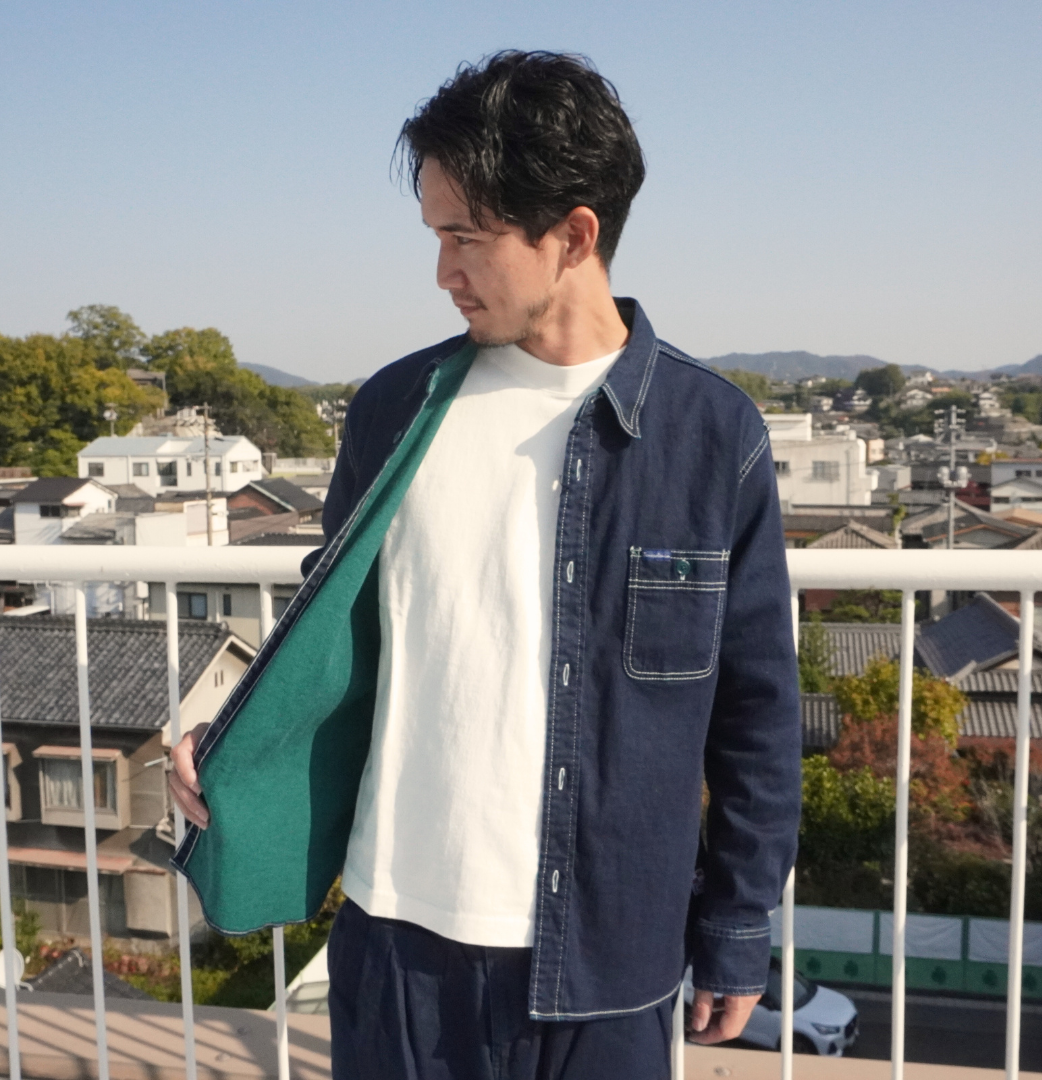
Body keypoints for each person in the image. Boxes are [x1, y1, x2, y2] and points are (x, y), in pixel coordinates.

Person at [169, 51, 801, 1080]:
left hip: (610, 954)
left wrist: (737, 925)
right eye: (435, 236)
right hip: (396, 940)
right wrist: (239, 738)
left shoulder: (710, 434)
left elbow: (756, 712)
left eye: (466, 236)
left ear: (574, 235)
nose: (442, 271)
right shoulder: (393, 411)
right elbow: (328, 646)